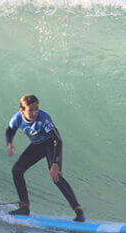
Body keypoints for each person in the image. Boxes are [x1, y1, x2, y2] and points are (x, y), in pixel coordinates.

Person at [5, 94, 85, 222]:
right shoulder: (17, 118)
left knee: (56, 177)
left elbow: (57, 140)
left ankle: (79, 211)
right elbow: (10, 130)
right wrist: (9, 143)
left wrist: (55, 163)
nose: (35, 112)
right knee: (17, 170)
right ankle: (24, 207)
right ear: (22, 110)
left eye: (36, 109)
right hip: (37, 145)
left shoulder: (43, 118)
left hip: (51, 144)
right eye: (31, 110)